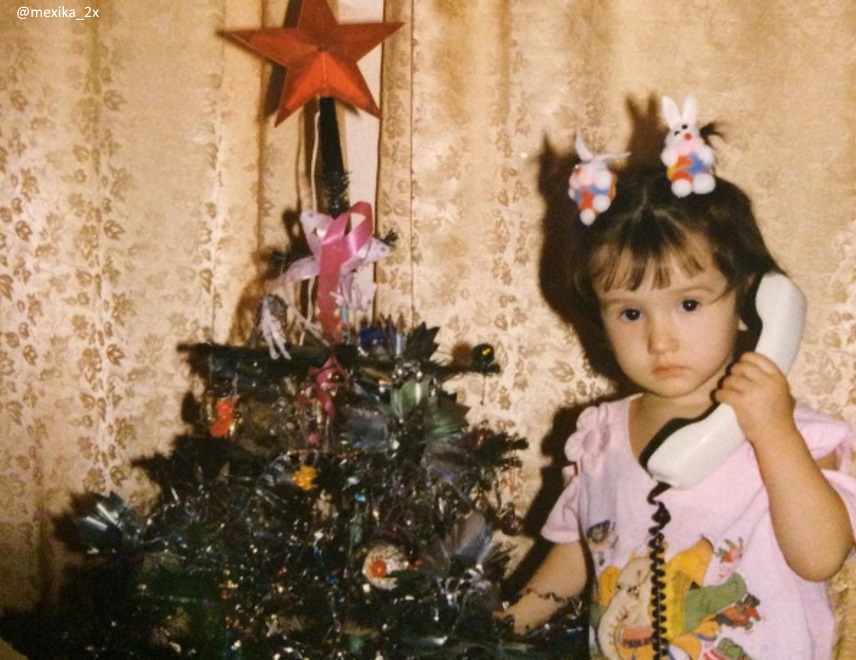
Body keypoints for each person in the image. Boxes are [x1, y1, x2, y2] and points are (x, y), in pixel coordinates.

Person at [501, 156, 856, 658]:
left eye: (688, 304)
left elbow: (820, 558)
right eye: (630, 312)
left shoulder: (794, 435)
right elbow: (581, 550)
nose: (659, 339)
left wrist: (773, 431)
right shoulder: (601, 437)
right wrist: (501, 626)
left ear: (749, 302)